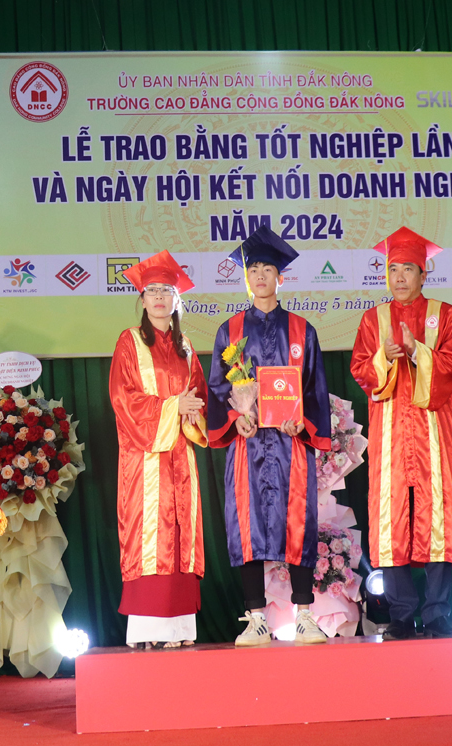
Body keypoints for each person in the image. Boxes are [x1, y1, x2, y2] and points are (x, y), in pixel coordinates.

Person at [208, 226, 332, 646]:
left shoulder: (302, 330)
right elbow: (218, 388)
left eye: (267, 269)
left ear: (281, 276)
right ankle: (256, 618)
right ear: (246, 278)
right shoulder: (229, 330)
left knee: (297, 521)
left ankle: (305, 616)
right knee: (247, 525)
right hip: (248, 443)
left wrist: (304, 423)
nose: (260, 276)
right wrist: (234, 418)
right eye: (253, 270)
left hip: (290, 443)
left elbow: (314, 389)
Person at [350, 227, 452, 640]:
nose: (399, 277)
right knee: (392, 519)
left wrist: (418, 351)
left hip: (434, 431)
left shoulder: (445, 315)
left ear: (423, 273)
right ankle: (400, 614)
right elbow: (361, 371)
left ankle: (437, 612)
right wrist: (384, 357)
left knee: (438, 516)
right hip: (391, 435)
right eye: (392, 269)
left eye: (408, 269)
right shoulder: (373, 319)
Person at [108, 250, 209, 649]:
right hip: (145, 458)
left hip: (181, 455)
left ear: (177, 298)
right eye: (152, 291)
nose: (160, 298)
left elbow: (199, 396)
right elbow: (123, 398)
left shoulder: (186, 346)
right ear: (142, 298)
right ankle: (149, 630)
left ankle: (180, 630)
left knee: (182, 532)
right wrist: (172, 408)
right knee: (150, 533)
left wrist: (192, 410)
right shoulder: (129, 341)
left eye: (167, 291)